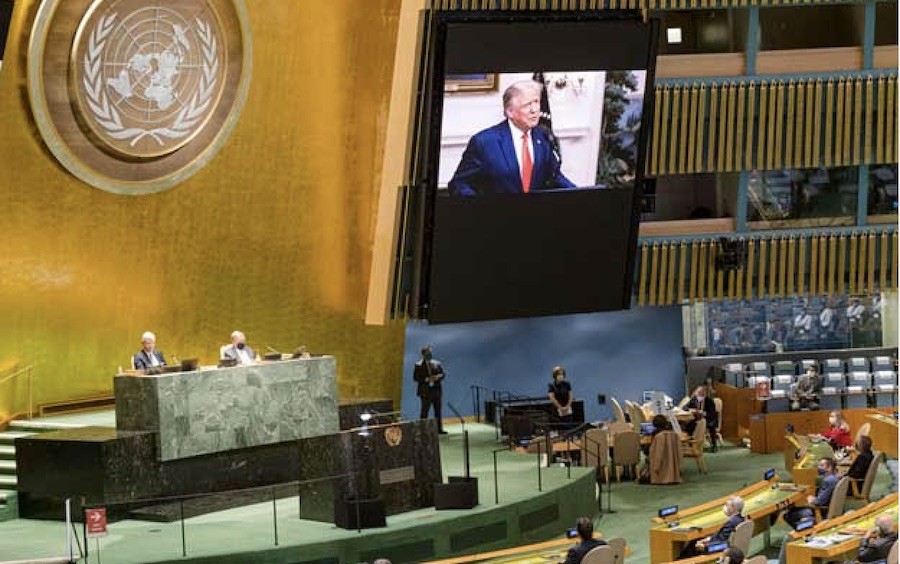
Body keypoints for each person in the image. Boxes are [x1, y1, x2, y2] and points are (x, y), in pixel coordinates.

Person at [448, 80, 576, 197]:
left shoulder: (543, 136)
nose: (534, 110)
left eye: (536, 102)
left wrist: (580, 196)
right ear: (510, 112)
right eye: (527, 105)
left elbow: (554, 177)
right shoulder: (484, 142)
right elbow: (459, 184)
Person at [679, 496, 747, 558]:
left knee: (692, 544)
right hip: (725, 546)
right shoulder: (740, 519)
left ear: (733, 507)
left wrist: (705, 546)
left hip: (719, 549)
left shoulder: (731, 522)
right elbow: (722, 537)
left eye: (727, 505)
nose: (725, 507)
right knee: (697, 540)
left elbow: (723, 542)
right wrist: (707, 539)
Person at [783, 457, 839, 528]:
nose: (818, 467)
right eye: (819, 465)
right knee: (794, 508)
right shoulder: (834, 477)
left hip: (821, 511)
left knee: (788, 515)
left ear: (830, 467)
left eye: (822, 465)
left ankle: (804, 531)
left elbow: (818, 502)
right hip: (828, 508)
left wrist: (811, 500)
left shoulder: (828, 481)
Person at [413, 346, 447, 434]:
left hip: (436, 391)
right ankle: (423, 430)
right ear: (423, 354)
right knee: (424, 412)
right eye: (428, 353)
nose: (430, 354)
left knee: (438, 411)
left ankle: (439, 429)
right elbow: (415, 377)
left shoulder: (437, 363)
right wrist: (426, 379)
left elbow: (443, 373)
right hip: (425, 392)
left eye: (431, 353)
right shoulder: (418, 365)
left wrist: (438, 377)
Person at [684, 385, 718, 450]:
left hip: (709, 419)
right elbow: (685, 407)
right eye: (698, 393)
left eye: (702, 394)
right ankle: (690, 443)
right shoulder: (694, 399)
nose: (700, 395)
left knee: (711, 427)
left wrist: (704, 413)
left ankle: (714, 445)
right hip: (697, 418)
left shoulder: (709, 401)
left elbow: (713, 413)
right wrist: (691, 410)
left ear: (704, 394)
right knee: (689, 425)